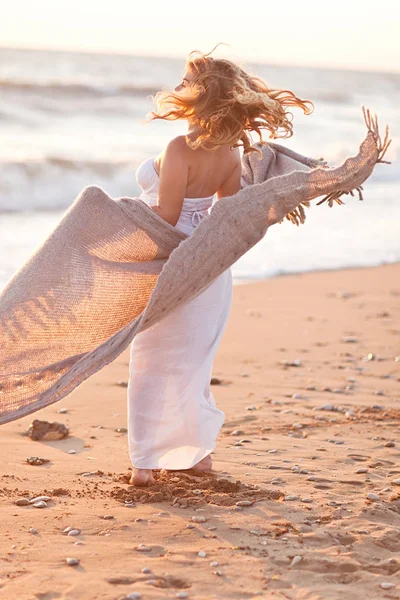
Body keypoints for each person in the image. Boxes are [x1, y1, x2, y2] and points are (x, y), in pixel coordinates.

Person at [128, 46, 314, 486]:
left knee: (153, 360)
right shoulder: (231, 153)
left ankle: (145, 465)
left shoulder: (178, 148)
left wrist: (120, 220)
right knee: (194, 359)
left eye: (185, 83)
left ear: (200, 96)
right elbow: (224, 216)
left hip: (174, 262)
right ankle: (195, 455)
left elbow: (168, 218)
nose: (177, 89)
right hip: (211, 266)